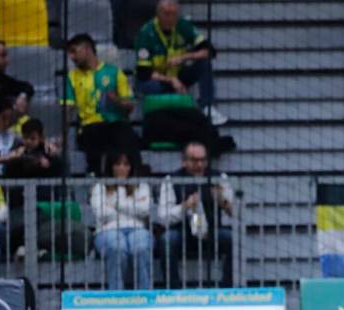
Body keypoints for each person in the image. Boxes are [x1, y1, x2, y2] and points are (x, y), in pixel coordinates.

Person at [156, 141, 235, 288]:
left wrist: (222, 200)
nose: (200, 165)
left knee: (234, 239)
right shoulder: (171, 180)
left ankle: (227, 288)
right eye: (194, 160)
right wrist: (185, 206)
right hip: (183, 232)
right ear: (184, 161)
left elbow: (236, 213)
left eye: (203, 160)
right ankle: (173, 290)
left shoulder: (219, 177)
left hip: (212, 231)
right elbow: (162, 217)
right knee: (167, 239)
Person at [134, 0, 226, 126]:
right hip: (154, 78)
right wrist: (171, 80)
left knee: (204, 63)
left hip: (177, 75)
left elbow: (210, 51)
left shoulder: (183, 25)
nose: (170, 18)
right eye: (166, 14)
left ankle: (207, 107)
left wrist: (184, 57)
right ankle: (167, 116)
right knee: (152, 85)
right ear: (158, 14)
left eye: (174, 14)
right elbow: (143, 72)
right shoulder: (146, 33)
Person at [63, 34, 142, 174]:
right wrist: (62, 135)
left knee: (128, 137)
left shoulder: (114, 73)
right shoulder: (71, 77)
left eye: (74, 51)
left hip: (116, 123)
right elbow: (67, 108)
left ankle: (135, 182)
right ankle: (98, 184)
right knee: (95, 145)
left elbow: (130, 106)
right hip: (90, 126)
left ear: (87, 49)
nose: (72, 57)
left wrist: (116, 100)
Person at [92, 152, 154, 290]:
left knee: (141, 247)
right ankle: (116, 295)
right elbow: (102, 213)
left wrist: (115, 204)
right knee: (117, 247)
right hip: (107, 230)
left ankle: (145, 294)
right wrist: (132, 206)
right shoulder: (100, 187)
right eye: (117, 164)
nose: (122, 168)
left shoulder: (142, 186)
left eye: (126, 164)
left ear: (131, 167)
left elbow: (145, 210)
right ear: (111, 167)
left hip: (138, 229)